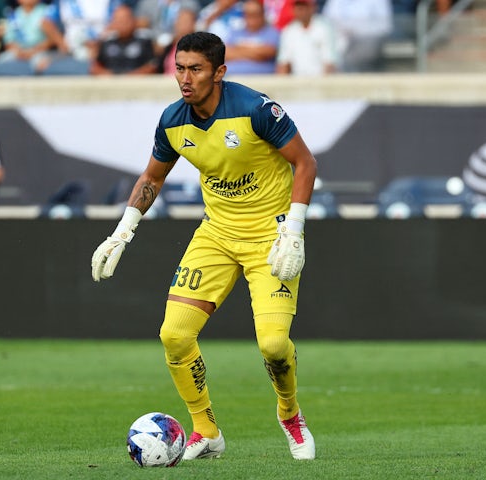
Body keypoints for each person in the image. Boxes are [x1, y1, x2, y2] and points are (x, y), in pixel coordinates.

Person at [91, 31, 317, 461]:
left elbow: (305, 162)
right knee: (173, 335)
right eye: (179, 68)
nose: (185, 78)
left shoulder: (255, 109)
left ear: (219, 72)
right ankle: (206, 430)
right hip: (216, 234)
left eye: (195, 69)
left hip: (271, 236)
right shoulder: (173, 120)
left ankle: (289, 413)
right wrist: (122, 231)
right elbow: (152, 177)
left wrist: (295, 230)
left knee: (272, 345)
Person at [39, 0, 121, 75]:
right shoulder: (63, 2)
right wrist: (63, 44)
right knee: (42, 64)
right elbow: (46, 22)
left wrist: (99, 43)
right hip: (72, 52)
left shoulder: (112, 2)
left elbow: (123, 20)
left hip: (107, 50)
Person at [0, 0, 52, 75]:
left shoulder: (47, 11)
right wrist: (18, 51)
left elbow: (53, 39)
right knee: (0, 62)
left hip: (40, 50)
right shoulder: (14, 14)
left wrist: (34, 51)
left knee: (41, 63)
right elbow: (8, 40)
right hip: (18, 51)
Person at [322, 0, 392, 72]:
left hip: (366, 40)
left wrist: (356, 30)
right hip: (340, 39)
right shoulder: (335, 1)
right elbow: (326, 22)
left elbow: (384, 26)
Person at [89, 4, 159, 75]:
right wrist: (108, 76)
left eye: (126, 20)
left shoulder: (144, 42)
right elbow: (95, 67)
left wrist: (131, 77)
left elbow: (153, 65)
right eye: (119, 21)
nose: (123, 24)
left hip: (138, 83)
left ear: (133, 21)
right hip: (110, 83)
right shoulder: (107, 43)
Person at [276, 0, 338, 75]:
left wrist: (325, 84)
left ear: (312, 8)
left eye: (303, 7)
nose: (300, 11)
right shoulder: (289, 30)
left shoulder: (324, 28)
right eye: (298, 7)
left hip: (321, 80)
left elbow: (330, 62)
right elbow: (284, 63)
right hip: (296, 81)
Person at [224, 0, 279, 75]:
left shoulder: (272, 32)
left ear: (262, 14)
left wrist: (237, 48)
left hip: (261, 78)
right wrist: (254, 52)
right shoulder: (235, 32)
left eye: (255, 14)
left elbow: (267, 53)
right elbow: (225, 53)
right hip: (233, 77)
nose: (251, 17)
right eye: (248, 14)